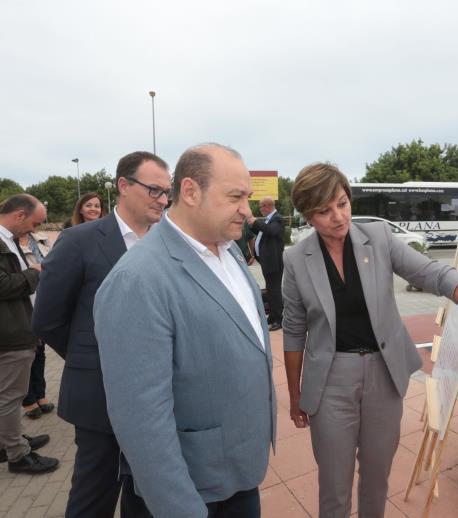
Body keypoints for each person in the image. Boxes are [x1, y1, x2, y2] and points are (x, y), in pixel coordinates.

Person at [282, 163, 458, 518]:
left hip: (383, 373)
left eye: (342, 204)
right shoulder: (296, 259)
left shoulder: (377, 238)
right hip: (330, 378)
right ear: (307, 216)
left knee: (377, 478)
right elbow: (294, 329)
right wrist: (296, 395)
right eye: (323, 211)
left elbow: (431, 273)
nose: (337, 217)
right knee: (334, 485)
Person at [94, 143, 276, 518]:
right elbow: (141, 420)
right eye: (235, 197)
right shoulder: (138, 279)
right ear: (191, 191)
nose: (247, 209)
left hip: (237, 477)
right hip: (191, 495)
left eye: (248, 197)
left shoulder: (230, 251)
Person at [32, 151, 171, 517]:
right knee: (94, 495)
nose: (163, 200)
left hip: (160, 396)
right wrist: (91, 359)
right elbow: (47, 318)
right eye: (155, 190)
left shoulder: (169, 243)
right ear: (123, 186)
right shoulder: (79, 240)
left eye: (166, 192)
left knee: (146, 495)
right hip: (99, 396)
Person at [0, 194, 58, 474]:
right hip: (10, 334)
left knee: (7, 395)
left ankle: (9, 441)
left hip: (17, 327)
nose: (34, 231)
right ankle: (17, 455)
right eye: (34, 223)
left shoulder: (8, 240)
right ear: (19, 215)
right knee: (11, 397)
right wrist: (36, 271)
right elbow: (4, 286)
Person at [18, 231, 54, 419]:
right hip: (22, 303)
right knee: (25, 356)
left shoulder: (39, 239)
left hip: (41, 299)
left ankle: (40, 394)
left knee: (39, 352)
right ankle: (28, 400)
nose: (37, 224)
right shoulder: (8, 242)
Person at [246, 196, 284, 331]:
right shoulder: (269, 220)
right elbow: (263, 232)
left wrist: (255, 222)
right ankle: (273, 316)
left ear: (267, 206)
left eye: (261, 206)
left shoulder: (277, 219)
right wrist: (251, 225)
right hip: (267, 262)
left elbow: (271, 231)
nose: (260, 209)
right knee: (270, 289)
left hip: (274, 262)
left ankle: (279, 319)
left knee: (274, 290)